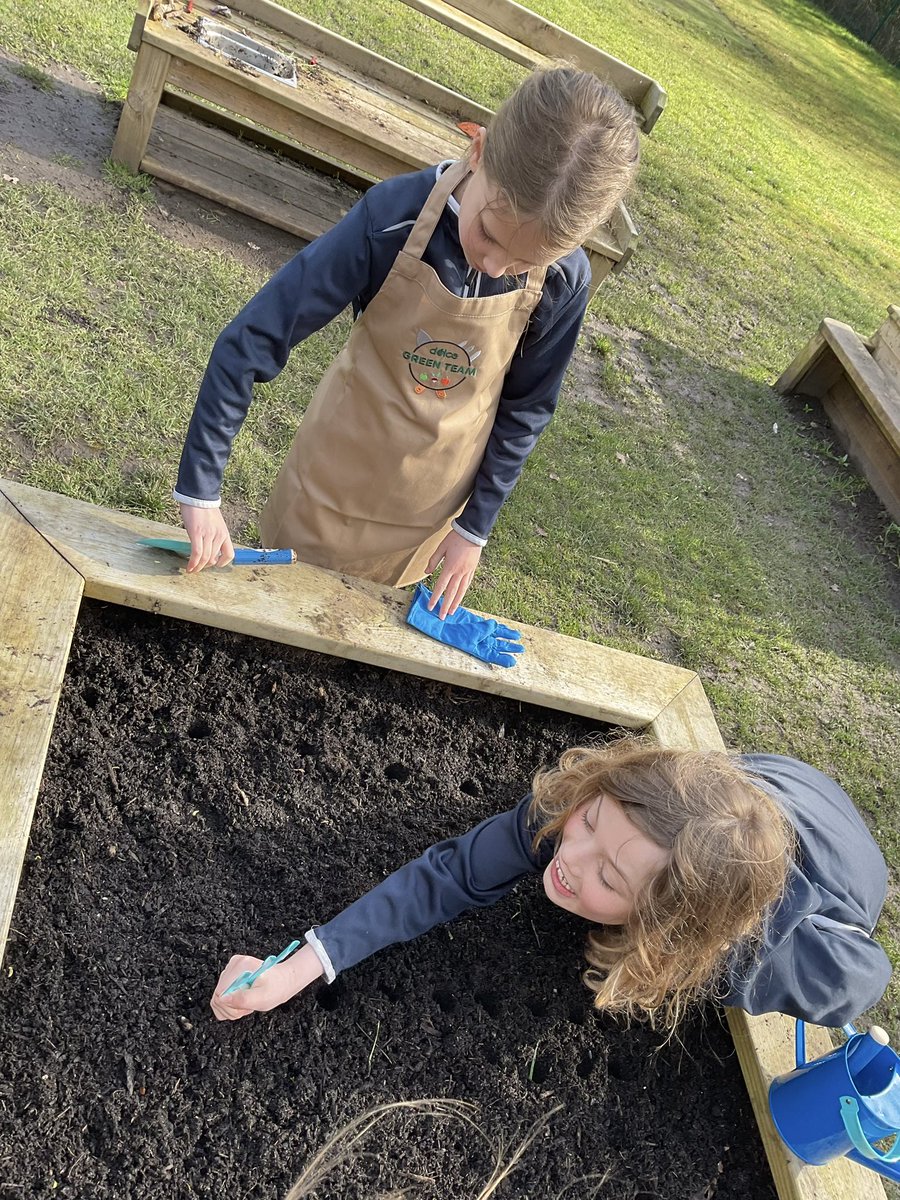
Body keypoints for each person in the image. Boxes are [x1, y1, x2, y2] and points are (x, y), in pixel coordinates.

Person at [173, 66, 640, 616]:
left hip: (427, 516)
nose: (494, 263)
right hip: (329, 485)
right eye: (489, 233)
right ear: (478, 150)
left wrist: (473, 528)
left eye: (526, 261)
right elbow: (253, 337)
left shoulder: (565, 281)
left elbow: (526, 408)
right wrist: (200, 491)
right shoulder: (391, 218)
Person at [210, 738, 892, 1030]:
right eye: (591, 822)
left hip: (841, 872)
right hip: (778, 778)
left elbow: (865, 979)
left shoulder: (757, 961)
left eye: (608, 875)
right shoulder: (587, 808)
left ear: (664, 927)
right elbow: (447, 874)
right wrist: (298, 967)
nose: (572, 855)